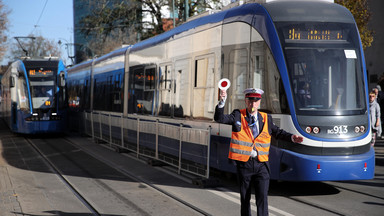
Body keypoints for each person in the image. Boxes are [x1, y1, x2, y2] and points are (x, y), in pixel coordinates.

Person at [214, 88, 303, 216]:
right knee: (245, 198)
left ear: (259, 102)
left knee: (262, 198)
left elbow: (277, 132)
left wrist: (292, 138)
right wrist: (222, 102)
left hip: (262, 164)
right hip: (245, 164)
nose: (253, 104)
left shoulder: (266, 118)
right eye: (250, 100)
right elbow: (220, 118)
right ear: (246, 101)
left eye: (256, 101)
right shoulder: (238, 115)